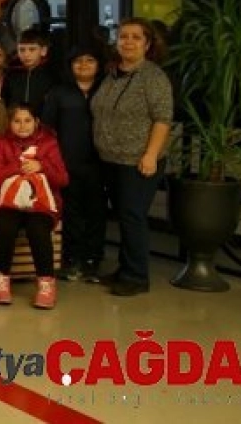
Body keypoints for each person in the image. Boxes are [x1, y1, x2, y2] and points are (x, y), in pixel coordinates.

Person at [91, 18, 172, 297]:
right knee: (124, 217)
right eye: (123, 36)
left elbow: (162, 119)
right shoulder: (113, 73)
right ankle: (124, 268)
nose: (128, 42)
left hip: (138, 161)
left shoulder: (153, 77)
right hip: (111, 159)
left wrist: (150, 155)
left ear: (147, 44)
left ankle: (136, 276)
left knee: (132, 217)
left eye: (136, 38)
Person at [0, 103, 69, 309]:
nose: (22, 126)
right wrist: (17, 166)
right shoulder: (0, 143)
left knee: (38, 228)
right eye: (17, 121)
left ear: (36, 122)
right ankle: (1, 278)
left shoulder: (49, 142)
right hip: (10, 202)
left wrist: (42, 166)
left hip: (40, 203)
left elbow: (62, 179)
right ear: (9, 123)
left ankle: (46, 282)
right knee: (4, 225)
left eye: (27, 121)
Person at [42, 45, 106, 282]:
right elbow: (47, 129)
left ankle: (93, 261)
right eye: (78, 61)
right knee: (71, 212)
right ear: (70, 66)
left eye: (90, 60)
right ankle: (71, 260)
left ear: (98, 65)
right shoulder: (59, 92)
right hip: (67, 162)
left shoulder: (106, 88)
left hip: (101, 161)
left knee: (97, 213)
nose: (84, 65)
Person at [2, 28, 55, 111]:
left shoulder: (52, 75)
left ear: (43, 51)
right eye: (22, 50)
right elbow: (5, 102)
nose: (26, 54)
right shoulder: (11, 75)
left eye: (32, 49)